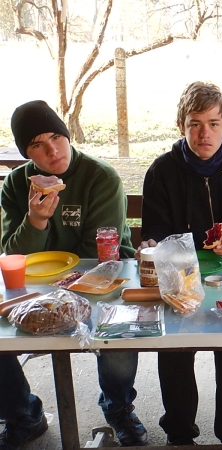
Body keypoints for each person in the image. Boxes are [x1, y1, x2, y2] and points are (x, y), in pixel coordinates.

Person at [0, 101, 146, 448]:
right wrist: (35, 221)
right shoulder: (16, 186)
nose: (52, 150)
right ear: (26, 152)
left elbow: (100, 251)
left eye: (56, 137)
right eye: (37, 144)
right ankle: (22, 413)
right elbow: (13, 253)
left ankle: (118, 406)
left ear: (67, 135)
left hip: (106, 277)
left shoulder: (101, 177)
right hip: (37, 288)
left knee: (119, 337)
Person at [137, 81, 222, 446]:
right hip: (180, 280)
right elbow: (156, 234)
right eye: (195, 123)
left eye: (213, 123)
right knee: (175, 352)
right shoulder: (161, 171)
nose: (204, 133)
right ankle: (179, 433)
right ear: (182, 126)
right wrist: (154, 248)